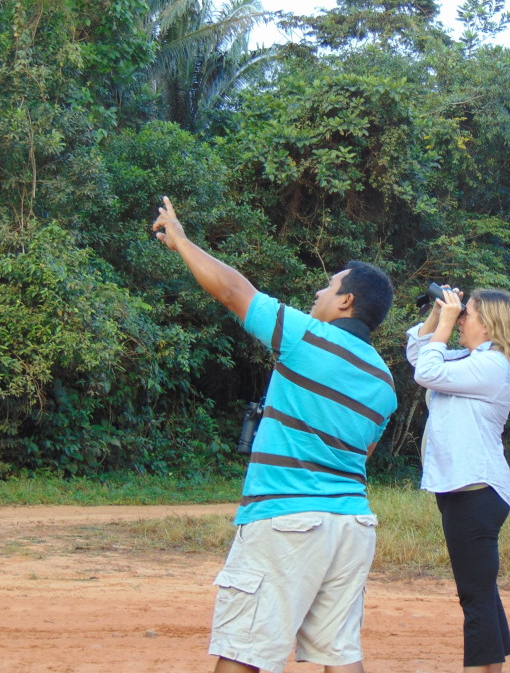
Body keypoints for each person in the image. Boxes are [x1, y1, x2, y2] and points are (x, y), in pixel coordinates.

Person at [152, 196, 398, 673]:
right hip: (351, 526)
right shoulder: (386, 381)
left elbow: (233, 293)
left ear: (346, 301)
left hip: (287, 519)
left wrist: (181, 241)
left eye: (329, 287)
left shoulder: (305, 337)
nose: (318, 294)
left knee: (244, 652)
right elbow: (362, 453)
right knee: (339, 654)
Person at [405, 286, 510, 673]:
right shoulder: (469, 358)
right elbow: (418, 353)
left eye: (467, 314)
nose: (461, 320)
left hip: (476, 491)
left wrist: (445, 323)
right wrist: (437, 314)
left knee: (474, 598)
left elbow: (426, 371)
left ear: (489, 323)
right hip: (465, 489)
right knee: (482, 594)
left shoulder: (492, 365)